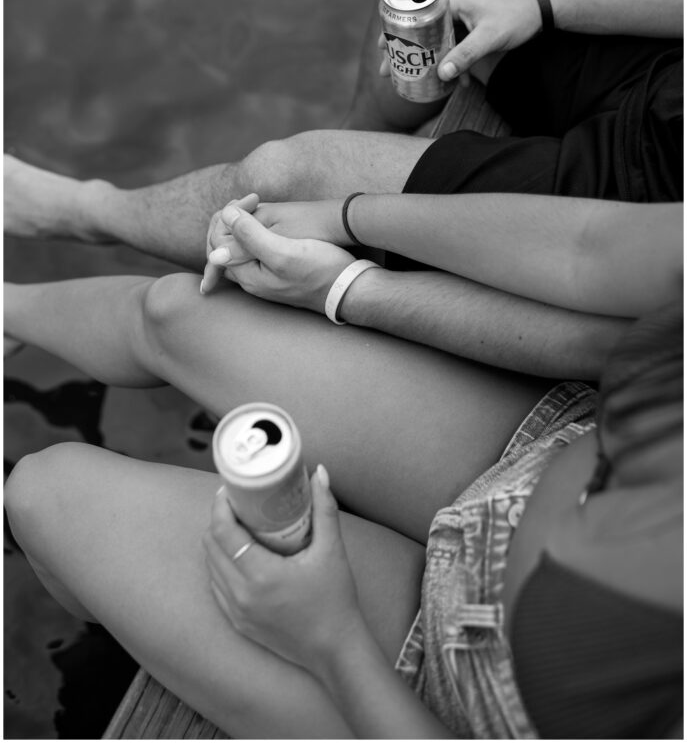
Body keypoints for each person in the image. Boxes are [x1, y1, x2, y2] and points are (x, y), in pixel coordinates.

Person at [4, 194, 682, 738]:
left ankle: (133, 632)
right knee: (175, 310)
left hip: (477, 684)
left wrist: (328, 640)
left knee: (44, 491)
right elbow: (588, 245)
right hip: (548, 462)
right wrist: (340, 225)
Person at [5, 0, 683, 374]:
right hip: (666, 84)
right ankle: (363, 139)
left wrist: (350, 282)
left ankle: (89, 212)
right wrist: (538, 2)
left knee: (273, 179)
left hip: (637, 206)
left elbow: (615, 330)